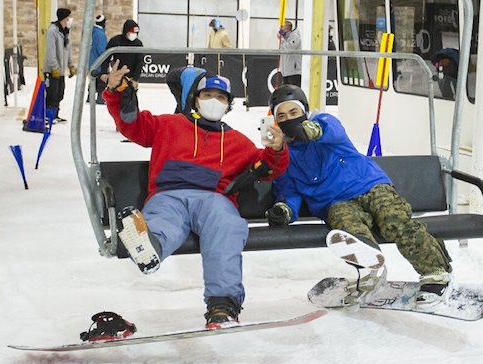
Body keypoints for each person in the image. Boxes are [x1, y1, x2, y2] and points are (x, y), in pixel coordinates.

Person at [103, 62, 289, 329]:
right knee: (163, 220)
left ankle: (222, 305)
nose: (214, 101)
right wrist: (118, 92)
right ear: (195, 99)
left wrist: (277, 148)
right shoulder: (169, 125)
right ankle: (149, 245)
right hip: (169, 195)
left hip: (213, 199)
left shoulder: (237, 141)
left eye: (221, 98)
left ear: (227, 106)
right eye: (207, 96)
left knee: (225, 226)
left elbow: (266, 168)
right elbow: (131, 124)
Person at [265, 85, 453, 307]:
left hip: (368, 185)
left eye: (294, 113)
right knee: (349, 232)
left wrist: (311, 130)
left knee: (393, 221)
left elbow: (331, 129)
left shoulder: (324, 124)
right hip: (335, 202)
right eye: (282, 116)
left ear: (304, 111)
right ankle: (371, 269)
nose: (289, 119)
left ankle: (435, 272)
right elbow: (289, 191)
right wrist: (284, 210)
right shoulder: (285, 156)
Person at [43, 8, 75, 123]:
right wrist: (54, 67)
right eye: (68, 17)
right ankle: (47, 116)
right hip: (52, 70)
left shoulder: (66, 31)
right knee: (52, 93)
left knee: (59, 93)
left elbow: (68, 50)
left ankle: (55, 115)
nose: (70, 19)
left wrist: (71, 65)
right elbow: (51, 51)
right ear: (64, 18)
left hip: (61, 70)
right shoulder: (52, 31)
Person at [99, 20, 144, 90]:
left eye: (135, 33)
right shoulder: (115, 41)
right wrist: (103, 72)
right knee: (114, 98)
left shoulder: (138, 44)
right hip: (116, 76)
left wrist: (135, 79)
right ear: (126, 31)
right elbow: (106, 57)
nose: (133, 35)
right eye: (131, 32)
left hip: (131, 78)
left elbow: (140, 62)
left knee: (130, 99)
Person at [88, 14, 108, 105]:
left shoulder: (93, 32)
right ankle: (101, 97)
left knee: (93, 80)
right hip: (99, 62)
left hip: (92, 61)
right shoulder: (100, 34)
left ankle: (90, 97)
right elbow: (102, 50)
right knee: (101, 80)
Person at [277, 20, 302, 86]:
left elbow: (289, 48)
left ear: (287, 28)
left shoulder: (295, 37)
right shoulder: (285, 39)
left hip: (294, 71)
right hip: (285, 71)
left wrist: (281, 39)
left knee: (294, 89)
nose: (280, 29)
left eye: (282, 27)